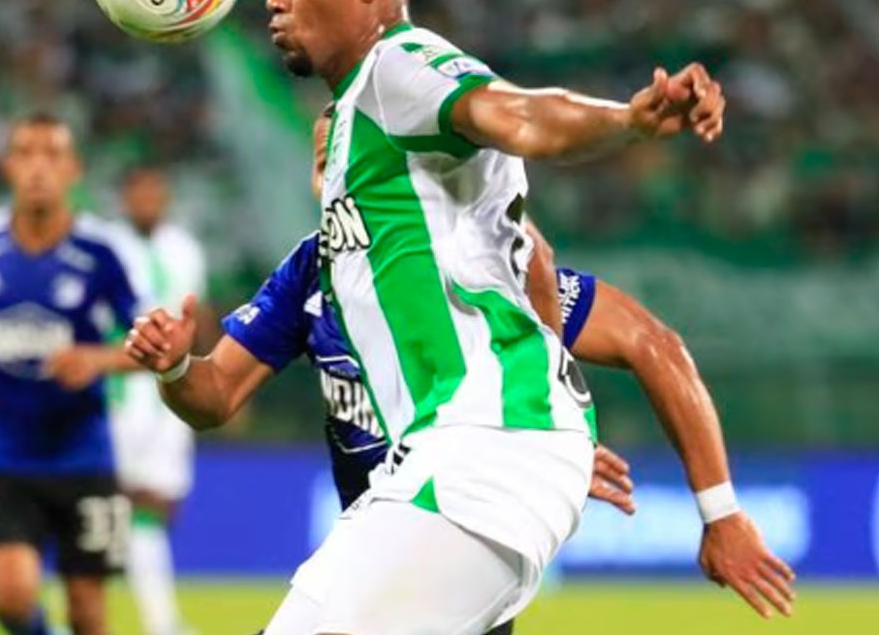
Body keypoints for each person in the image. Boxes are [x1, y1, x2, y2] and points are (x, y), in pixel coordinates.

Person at [127, 109, 792, 630]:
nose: (335, 175)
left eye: (350, 159)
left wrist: (717, 508)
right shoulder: (308, 274)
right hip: (376, 540)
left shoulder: (471, 264)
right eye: (323, 161)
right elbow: (213, 397)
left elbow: (656, 345)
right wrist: (176, 363)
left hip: (460, 530)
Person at [0, 113, 142, 635]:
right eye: (26, 153)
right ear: (7, 166)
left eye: (52, 155)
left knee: (88, 613)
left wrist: (95, 359)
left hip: (84, 450)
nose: (38, 168)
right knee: (9, 596)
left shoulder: (101, 253)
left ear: (73, 169)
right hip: (5, 450)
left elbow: (147, 345)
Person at [83, 166, 206, 635]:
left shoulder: (185, 250)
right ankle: (154, 621)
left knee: (158, 506)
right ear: (125, 197)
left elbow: (199, 317)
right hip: (119, 396)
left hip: (171, 395)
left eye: (155, 191)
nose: (147, 200)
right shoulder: (105, 246)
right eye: (138, 192)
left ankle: (154, 616)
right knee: (118, 506)